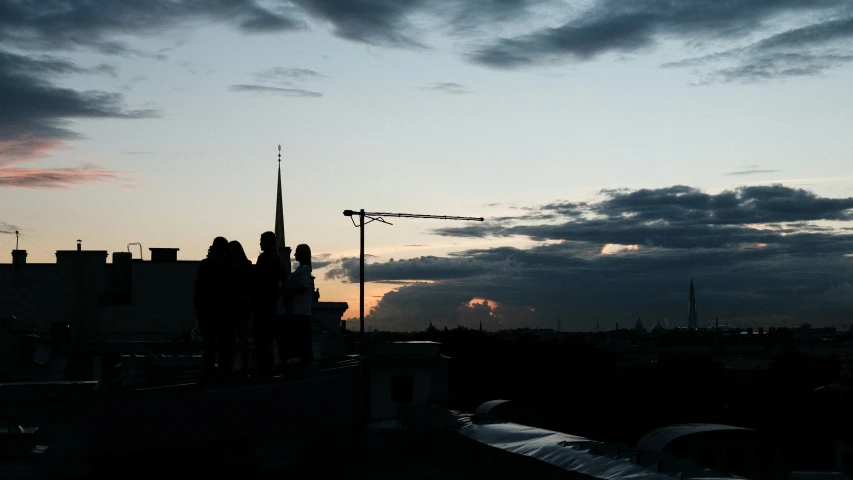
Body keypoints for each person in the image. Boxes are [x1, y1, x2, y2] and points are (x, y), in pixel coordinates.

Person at [194, 237, 231, 383]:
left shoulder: (205, 265)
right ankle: (223, 372)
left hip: (207, 310)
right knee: (223, 344)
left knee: (209, 344)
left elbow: (199, 289)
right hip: (223, 311)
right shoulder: (228, 266)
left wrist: (198, 309)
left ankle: (209, 371)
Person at [252, 232, 287, 378]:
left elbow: (259, 280)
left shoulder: (264, 258)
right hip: (274, 305)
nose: (260, 244)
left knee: (263, 339)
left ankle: (265, 367)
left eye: (262, 241)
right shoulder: (278, 259)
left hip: (264, 304)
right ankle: (276, 365)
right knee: (274, 339)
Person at [227, 240, 253, 376]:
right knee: (240, 338)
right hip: (240, 307)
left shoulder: (234, 268)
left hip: (239, 307)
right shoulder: (246, 266)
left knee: (237, 338)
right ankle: (242, 365)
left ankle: (238, 366)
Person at [286, 243, 315, 366]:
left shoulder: (304, 269)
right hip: (300, 310)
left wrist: (290, 292)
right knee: (303, 338)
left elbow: (305, 287)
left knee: (301, 338)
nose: (294, 254)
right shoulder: (303, 268)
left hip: (300, 310)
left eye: (297, 251)